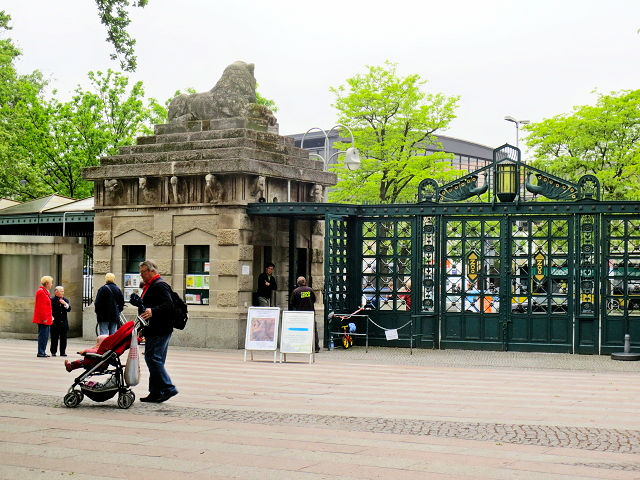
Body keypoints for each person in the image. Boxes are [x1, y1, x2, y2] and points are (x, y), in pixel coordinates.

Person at [137, 260, 178, 403]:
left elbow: (169, 305)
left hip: (160, 329)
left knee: (153, 359)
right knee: (156, 359)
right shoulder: (150, 285)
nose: (141, 275)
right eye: (140, 272)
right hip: (154, 328)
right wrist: (142, 328)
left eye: (143, 272)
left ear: (152, 271)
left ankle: (168, 387)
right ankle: (155, 392)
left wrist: (153, 311)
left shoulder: (159, 285)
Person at [289, 276, 319, 353]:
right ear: (305, 282)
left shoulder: (295, 291)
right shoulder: (310, 290)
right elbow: (314, 300)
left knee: (301, 330)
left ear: (298, 283)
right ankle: (315, 347)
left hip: (300, 314)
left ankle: (302, 346)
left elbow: (292, 303)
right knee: (313, 330)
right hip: (310, 313)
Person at [33, 276, 54, 358]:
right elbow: (41, 307)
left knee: (45, 336)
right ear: (47, 283)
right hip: (43, 318)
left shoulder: (45, 291)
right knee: (43, 336)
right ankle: (41, 352)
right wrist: (45, 318)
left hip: (47, 318)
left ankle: (42, 351)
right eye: (51, 282)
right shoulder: (41, 292)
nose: (52, 284)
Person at [50, 286, 71, 357]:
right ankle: (53, 351)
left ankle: (63, 352)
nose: (63, 293)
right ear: (56, 292)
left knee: (63, 338)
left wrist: (65, 304)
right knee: (54, 338)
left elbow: (69, 309)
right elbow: (50, 310)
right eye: (61, 291)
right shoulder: (52, 300)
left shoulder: (65, 300)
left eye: (63, 291)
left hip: (63, 322)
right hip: (55, 322)